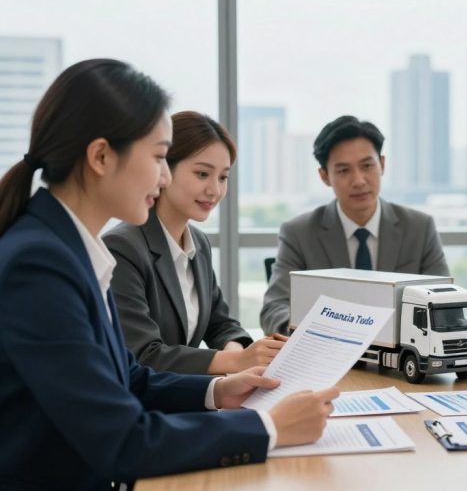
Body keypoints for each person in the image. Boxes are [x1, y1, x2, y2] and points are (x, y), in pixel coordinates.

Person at [0, 59, 338, 490]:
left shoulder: (69, 249)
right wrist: (270, 428)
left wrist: (218, 391)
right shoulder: (40, 266)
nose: (163, 176)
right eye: (160, 156)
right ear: (101, 156)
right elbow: (122, 440)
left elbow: (129, 377)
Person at [104, 111, 286, 374]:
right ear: (164, 170)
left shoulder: (198, 243)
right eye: (202, 174)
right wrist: (236, 362)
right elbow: (144, 355)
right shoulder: (123, 248)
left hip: (189, 395)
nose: (215, 189)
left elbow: (221, 324)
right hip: (146, 406)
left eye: (223, 177)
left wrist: (237, 353)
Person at [260, 115, 450, 335]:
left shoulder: (419, 228)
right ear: (324, 176)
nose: (359, 180)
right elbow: (274, 309)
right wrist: (317, 333)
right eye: (343, 170)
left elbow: (443, 302)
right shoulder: (299, 234)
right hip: (327, 356)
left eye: (367, 166)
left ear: (382, 164)